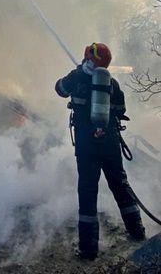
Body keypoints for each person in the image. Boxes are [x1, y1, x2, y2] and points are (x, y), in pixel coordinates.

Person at [55, 42, 145, 260]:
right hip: (110, 142)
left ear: (87, 58)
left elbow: (60, 89)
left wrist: (77, 73)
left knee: (87, 192)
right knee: (120, 185)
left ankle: (88, 250)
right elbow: (121, 109)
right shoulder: (111, 83)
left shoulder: (77, 78)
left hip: (87, 145)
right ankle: (137, 231)